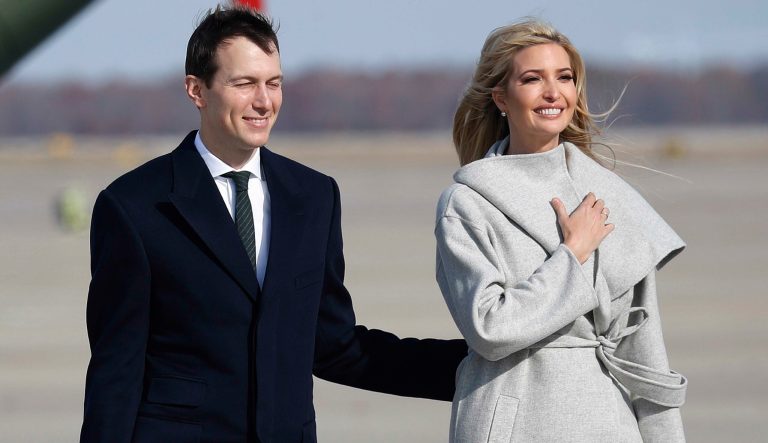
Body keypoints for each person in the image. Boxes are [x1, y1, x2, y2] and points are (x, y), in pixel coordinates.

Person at [80, 6, 466, 443]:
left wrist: (473, 368)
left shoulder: (315, 196)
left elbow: (333, 346)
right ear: (197, 90)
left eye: (274, 83)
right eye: (244, 83)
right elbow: (117, 369)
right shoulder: (134, 205)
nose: (264, 101)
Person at [435, 19, 687, 442]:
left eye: (565, 77)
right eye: (533, 79)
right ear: (500, 97)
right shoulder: (468, 202)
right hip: (512, 422)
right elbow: (489, 329)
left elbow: (644, 356)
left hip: (608, 423)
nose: (553, 92)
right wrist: (572, 258)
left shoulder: (610, 197)